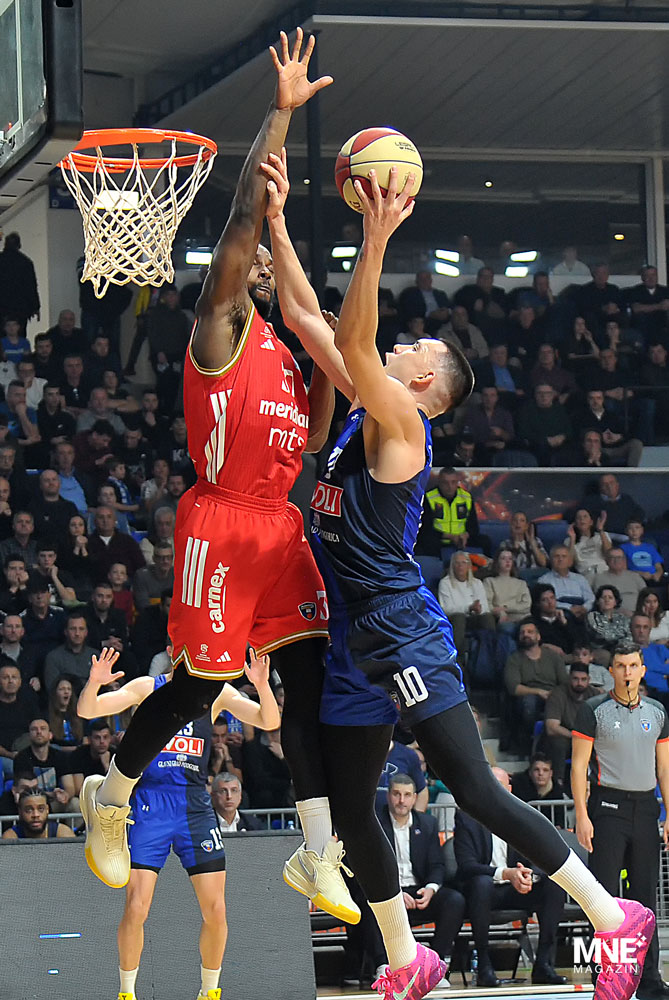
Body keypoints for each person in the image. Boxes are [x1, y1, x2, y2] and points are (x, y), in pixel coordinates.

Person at [285, 164, 653, 1000]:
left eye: (411, 350)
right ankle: (405, 956)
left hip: (397, 629)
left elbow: (350, 345)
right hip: (352, 636)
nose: (398, 346)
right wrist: (275, 222)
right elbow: (311, 323)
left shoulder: (403, 422)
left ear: (423, 383)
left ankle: (612, 916)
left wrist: (376, 237)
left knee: (476, 788)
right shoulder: (365, 407)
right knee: (351, 803)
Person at [79, 31, 359, 932]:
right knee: (199, 686)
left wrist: (324, 349)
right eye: (257, 260)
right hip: (220, 523)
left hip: (279, 527)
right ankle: (111, 793)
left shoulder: (284, 353)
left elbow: (317, 437)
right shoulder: (220, 329)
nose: (265, 263)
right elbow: (242, 218)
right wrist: (278, 117)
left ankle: (317, 850)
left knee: (308, 678)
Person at [78, 645, 280, 1000]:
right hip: (149, 803)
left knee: (216, 910)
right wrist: (94, 682)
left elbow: (269, 720)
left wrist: (262, 685)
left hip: (194, 806)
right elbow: (87, 710)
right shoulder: (148, 686)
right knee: (136, 906)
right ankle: (127, 993)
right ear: (173, 651)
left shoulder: (217, 692)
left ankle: (209, 992)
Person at [572, 641, 669, 1000]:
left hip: (645, 809)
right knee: (604, 900)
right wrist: (582, 814)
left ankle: (650, 981)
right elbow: (578, 766)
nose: (627, 672)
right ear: (611, 670)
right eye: (621, 666)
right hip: (607, 807)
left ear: (643, 670)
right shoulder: (593, 710)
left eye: (633, 666)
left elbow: (664, 768)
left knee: (646, 901)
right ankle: (607, 979)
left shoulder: (657, 712)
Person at [454, 768, 567, 987]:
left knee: (553, 884)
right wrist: (506, 873)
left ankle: (544, 963)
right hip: (484, 889)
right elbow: (466, 866)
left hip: (516, 888)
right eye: (491, 783)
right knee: (481, 884)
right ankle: (484, 966)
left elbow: (540, 854)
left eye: (501, 785)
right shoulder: (466, 817)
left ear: (509, 789)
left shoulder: (520, 815)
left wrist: (529, 876)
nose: (495, 789)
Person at [359, 773, 465, 984]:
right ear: (388, 796)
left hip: (417, 890)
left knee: (454, 900)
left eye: (407, 795)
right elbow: (367, 867)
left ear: (415, 798)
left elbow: (437, 864)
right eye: (397, 794)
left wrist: (431, 888)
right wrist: (394, 893)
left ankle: (433, 967)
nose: (401, 800)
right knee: (369, 903)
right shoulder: (374, 824)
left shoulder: (427, 824)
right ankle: (384, 965)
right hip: (387, 890)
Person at [504, 619, 567, 751]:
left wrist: (554, 695)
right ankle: (530, 742)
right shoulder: (514, 659)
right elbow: (514, 688)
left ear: (538, 637)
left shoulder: (553, 656)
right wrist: (538, 692)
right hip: (528, 696)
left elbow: (564, 682)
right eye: (522, 633)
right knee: (529, 703)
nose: (525, 635)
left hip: (554, 695)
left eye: (530, 632)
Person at [544, 662, 599, 783]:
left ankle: (597, 784)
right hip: (567, 736)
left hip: (589, 737)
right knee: (558, 744)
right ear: (569, 678)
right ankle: (558, 783)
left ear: (589, 680)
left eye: (583, 679)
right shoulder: (558, 694)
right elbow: (551, 727)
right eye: (575, 679)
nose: (579, 683)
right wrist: (575, 736)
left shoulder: (595, 695)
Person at [437, 550, 495, 659]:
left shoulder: (477, 583)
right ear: (452, 566)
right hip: (455, 619)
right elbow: (446, 609)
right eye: (457, 563)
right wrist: (468, 608)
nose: (460, 566)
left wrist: (478, 609)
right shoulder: (445, 583)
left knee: (487, 617)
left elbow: (485, 607)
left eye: (463, 563)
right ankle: (457, 658)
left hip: (474, 618)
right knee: (459, 618)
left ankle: (491, 656)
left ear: (469, 566)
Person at [511, 752, 569, 827]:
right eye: (536, 770)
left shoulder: (557, 791)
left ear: (551, 773)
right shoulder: (517, 786)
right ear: (530, 772)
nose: (540, 773)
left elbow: (562, 820)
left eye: (545, 770)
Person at [538, 544, 595, 621]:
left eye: (564, 556)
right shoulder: (544, 580)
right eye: (557, 556)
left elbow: (590, 598)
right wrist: (570, 608)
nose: (560, 559)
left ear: (569, 561)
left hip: (583, 614)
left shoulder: (580, 578)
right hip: (559, 615)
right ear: (551, 560)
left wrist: (584, 608)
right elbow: (546, 602)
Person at [482, 548, 531, 630]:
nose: (507, 561)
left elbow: (526, 605)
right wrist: (500, 612)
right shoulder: (489, 581)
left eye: (510, 559)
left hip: (524, 619)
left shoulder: (521, 583)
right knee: (506, 627)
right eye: (503, 558)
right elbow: (487, 604)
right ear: (497, 562)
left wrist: (504, 608)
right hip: (502, 619)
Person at [2, 789, 75, 840]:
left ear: (47, 810)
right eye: (29, 810)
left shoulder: (63, 833)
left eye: (41, 809)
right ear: (20, 812)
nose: (35, 815)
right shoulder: (10, 837)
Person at [593, 548, 646, 615]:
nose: (616, 560)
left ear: (624, 560)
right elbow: (599, 602)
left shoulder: (635, 576)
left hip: (636, 615)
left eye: (619, 557)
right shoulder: (599, 578)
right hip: (610, 616)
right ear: (606, 561)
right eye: (612, 558)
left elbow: (646, 596)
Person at [564, 509, 611, 581]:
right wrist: (572, 539)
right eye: (578, 517)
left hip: (603, 571)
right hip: (585, 575)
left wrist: (601, 530)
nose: (582, 519)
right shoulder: (568, 541)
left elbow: (609, 555)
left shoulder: (602, 536)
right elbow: (569, 563)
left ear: (591, 522)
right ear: (575, 523)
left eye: (585, 516)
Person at [587, 585, 633, 654]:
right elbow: (604, 635)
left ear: (615, 602)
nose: (607, 600)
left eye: (610, 598)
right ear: (598, 601)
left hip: (621, 648)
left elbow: (629, 636)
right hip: (600, 650)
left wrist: (620, 642)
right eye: (603, 597)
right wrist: (620, 636)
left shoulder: (622, 618)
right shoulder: (592, 616)